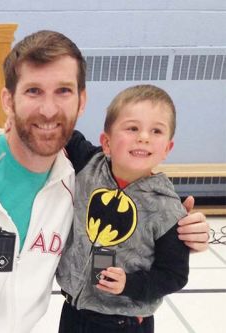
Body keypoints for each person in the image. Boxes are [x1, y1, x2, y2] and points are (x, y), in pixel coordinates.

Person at [0, 31, 208, 332]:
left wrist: (184, 229)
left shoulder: (73, 181)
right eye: (34, 91)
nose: (49, 110)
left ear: (82, 101)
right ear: (8, 101)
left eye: (63, 91)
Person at [57, 85, 189, 333]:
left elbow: (174, 274)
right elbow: (63, 132)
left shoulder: (167, 209)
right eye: (132, 128)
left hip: (124, 322)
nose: (144, 137)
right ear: (106, 142)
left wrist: (129, 284)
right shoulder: (89, 163)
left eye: (156, 131)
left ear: (167, 149)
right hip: (73, 311)